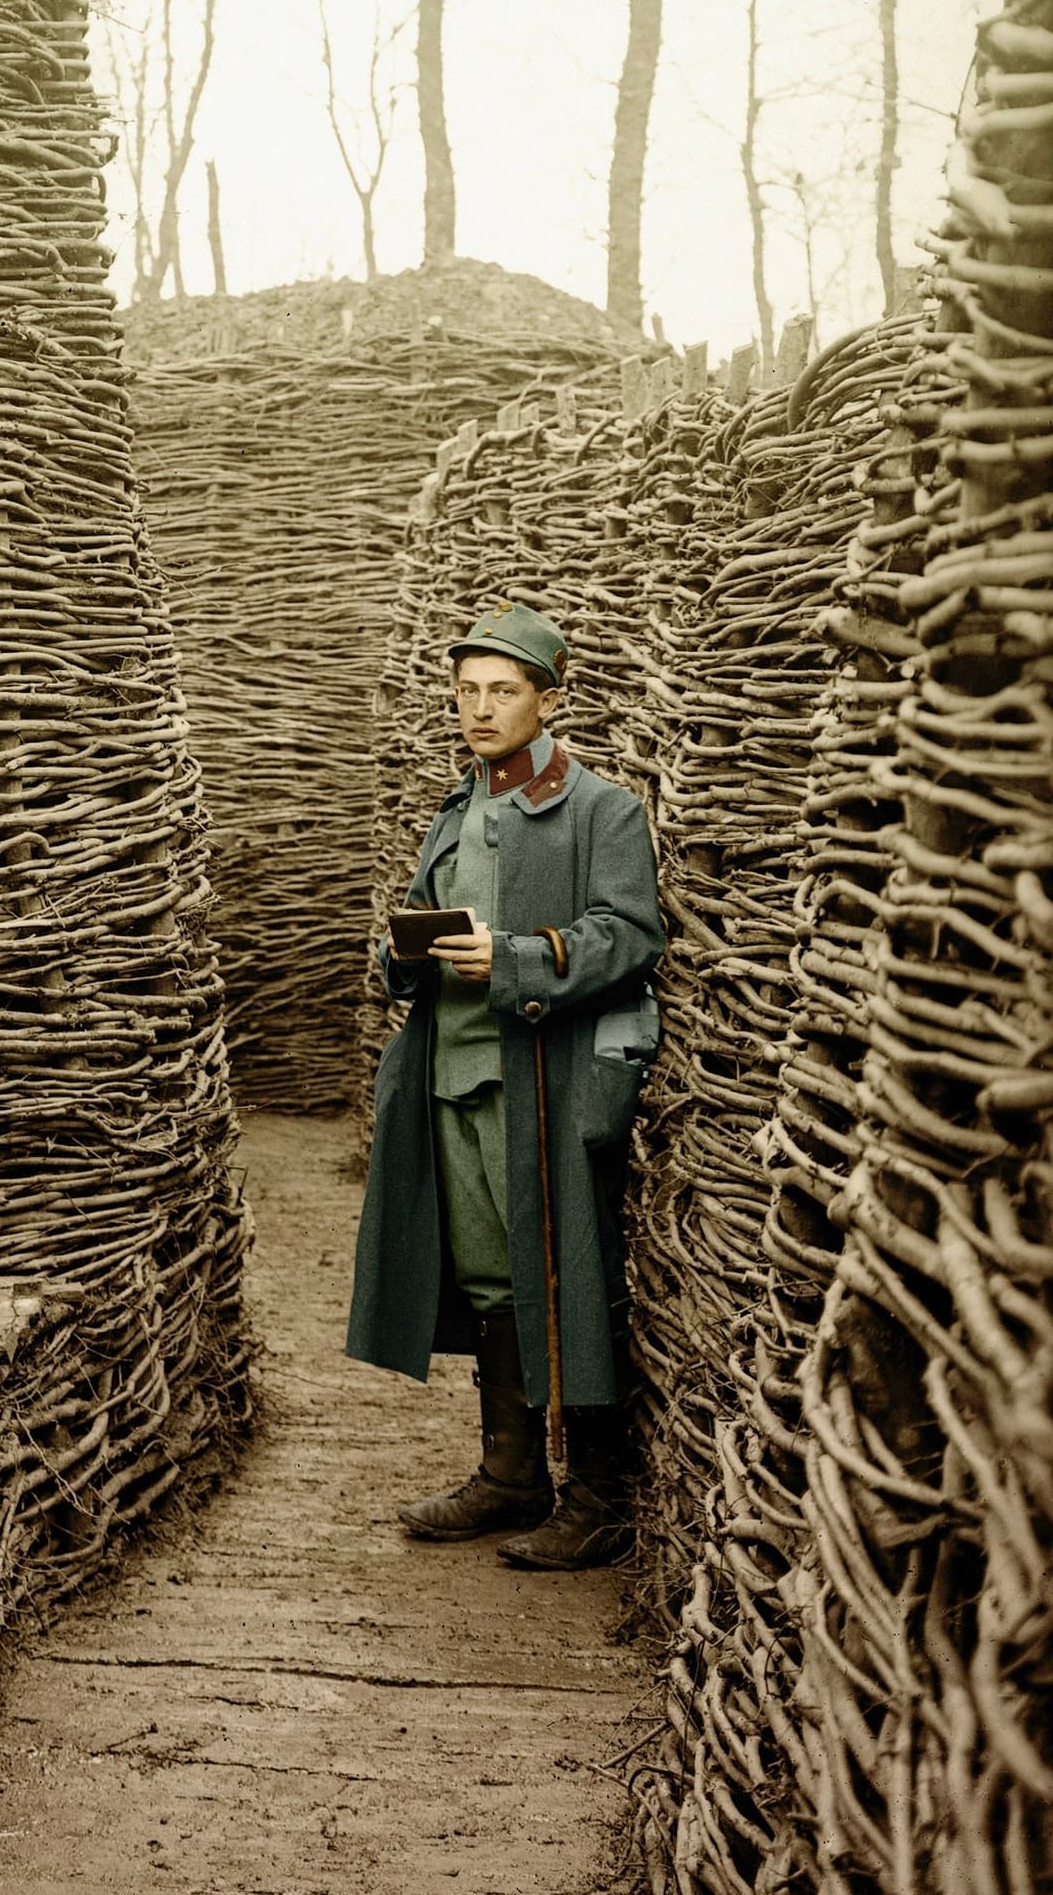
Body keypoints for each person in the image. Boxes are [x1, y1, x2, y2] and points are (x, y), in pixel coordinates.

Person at [346, 600, 663, 1570]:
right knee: (487, 1274)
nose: (481, 710)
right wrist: (408, 955)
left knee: (562, 1272)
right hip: (453, 1073)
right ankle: (510, 1473)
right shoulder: (457, 808)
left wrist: (522, 959)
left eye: (504, 691)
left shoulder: (602, 809)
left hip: (541, 1080)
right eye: (468, 692)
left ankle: (599, 1497)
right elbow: (428, 925)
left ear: (548, 698)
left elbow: (630, 934)